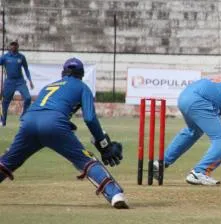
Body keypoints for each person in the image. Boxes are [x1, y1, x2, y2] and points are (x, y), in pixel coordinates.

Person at [0, 57, 129, 209]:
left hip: (28, 122)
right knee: (85, 160)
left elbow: (45, 109)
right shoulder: (82, 87)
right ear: (81, 74)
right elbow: (90, 118)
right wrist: (103, 144)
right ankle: (114, 194)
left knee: (8, 162)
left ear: (63, 72)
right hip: (55, 125)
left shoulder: (49, 86)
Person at [0, 41, 34, 127]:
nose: (14, 47)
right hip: (9, 82)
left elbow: (26, 69)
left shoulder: (21, 57)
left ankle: (23, 116)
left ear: (18, 47)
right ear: (10, 47)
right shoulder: (5, 57)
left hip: (20, 81)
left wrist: (30, 80)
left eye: (15, 46)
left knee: (28, 98)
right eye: (12, 46)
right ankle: (3, 121)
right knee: (5, 102)